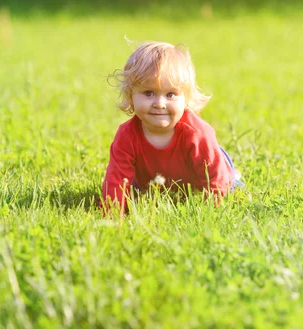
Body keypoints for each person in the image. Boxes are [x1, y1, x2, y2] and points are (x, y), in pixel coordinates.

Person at [101, 41, 242, 214]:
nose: (159, 104)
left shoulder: (197, 134)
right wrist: (112, 214)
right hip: (152, 182)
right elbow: (117, 179)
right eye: (148, 93)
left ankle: (236, 177)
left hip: (211, 174)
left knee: (228, 182)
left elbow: (215, 176)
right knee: (136, 191)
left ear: (185, 99)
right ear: (131, 96)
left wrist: (214, 211)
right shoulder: (126, 136)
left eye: (170, 95)